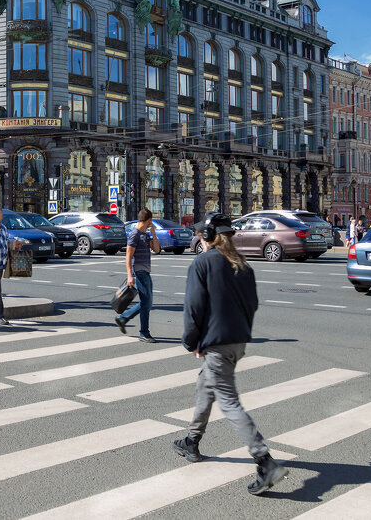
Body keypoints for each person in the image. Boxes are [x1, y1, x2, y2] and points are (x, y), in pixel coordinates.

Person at [175, 213, 288, 496]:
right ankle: (192, 440)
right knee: (206, 385)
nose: (199, 238)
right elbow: (253, 305)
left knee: (229, 402)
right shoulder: (243, 265)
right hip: (237, 342)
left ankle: (265, 461)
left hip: (216, 345)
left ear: (210, 236)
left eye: (202, 234)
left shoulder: (202, 263)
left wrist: (192, 341)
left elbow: (194, 308)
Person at [116, 209, 161, 343]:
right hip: (139, 272)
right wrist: (130, 275)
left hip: (146, 272)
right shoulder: (134, 234)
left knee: (147, 302)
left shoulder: (145, 234)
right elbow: (128, 256)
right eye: (151, 221)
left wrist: (153, 232)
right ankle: (143, 332)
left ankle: (123, 318)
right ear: (148, 220)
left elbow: (157, 250)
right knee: (146, 302)